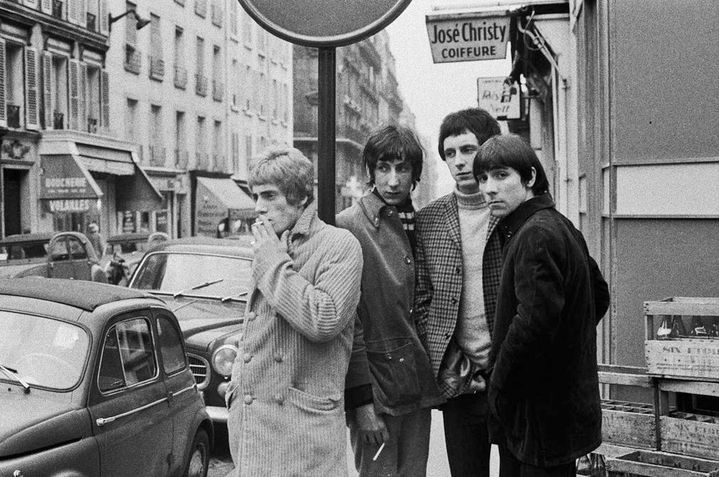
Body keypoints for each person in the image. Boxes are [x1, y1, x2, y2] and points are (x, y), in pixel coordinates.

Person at [473, 134, 610, 477]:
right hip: (555, 416)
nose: (489, 188)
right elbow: (598, 295)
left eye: (501, 175)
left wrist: (499, 386)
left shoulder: (534, 233)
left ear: (530, 177)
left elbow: (532, 324)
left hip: (540, 421)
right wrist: (566, 349)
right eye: (483, 178)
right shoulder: (556, 224)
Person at [225, 146, 363, 476]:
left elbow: (324, 319)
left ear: (300, 197)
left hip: (302, 433)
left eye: (269, 195)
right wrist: (235, 386)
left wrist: (273, 263)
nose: (259, 207)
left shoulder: (339, 244)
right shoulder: (269, 242)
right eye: (255, 196)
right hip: (253, 424)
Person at [338, 125, 442, 476]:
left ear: (415, 174)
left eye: (402, 168)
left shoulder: (421, 223)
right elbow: (347, 324)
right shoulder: (350, 226)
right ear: (370, 171)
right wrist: (362, 403)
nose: (393, 180)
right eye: (384, 168)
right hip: (377, 391)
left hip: (416, 388)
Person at [414, 107, 503, 476]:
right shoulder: (430, 218)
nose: (460, 162)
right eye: (450, 153)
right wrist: (454, 364)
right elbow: (421, 300)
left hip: (511, 374)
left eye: (469, 149)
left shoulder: (510, 210)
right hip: (460, 379)